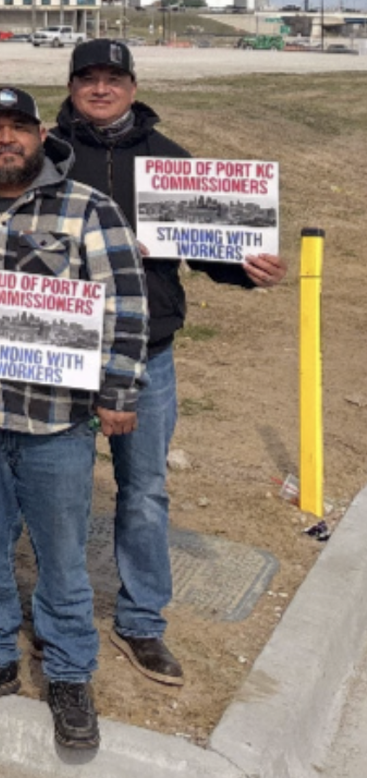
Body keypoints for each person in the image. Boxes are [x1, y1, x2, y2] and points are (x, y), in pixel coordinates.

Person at [51, 40, 285, 686]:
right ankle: (59, 615)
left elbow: (209, 248)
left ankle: (142, 621)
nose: (100, 90)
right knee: (56, 492)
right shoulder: (45, 154)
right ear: (71, 85)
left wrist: (247, 269)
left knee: (145, 491)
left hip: (148, 351)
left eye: (113, 79)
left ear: (132, 85)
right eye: (88, 79)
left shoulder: (169, 160)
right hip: (59, 347)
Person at [0, 86, 149, 752]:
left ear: (40, 133)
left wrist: (120, 393)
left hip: (57, 422)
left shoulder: (89, 209)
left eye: (18, 127)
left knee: (61, 555)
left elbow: (125, 310)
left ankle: (69, 670)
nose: (5, 140)